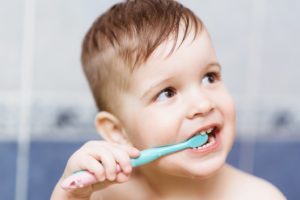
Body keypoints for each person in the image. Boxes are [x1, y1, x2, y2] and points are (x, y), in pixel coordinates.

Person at [51, 0, 286, 199]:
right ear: (117, 131)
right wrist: (70, 196)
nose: (203, 104)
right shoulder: (108, 194)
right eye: (167, 93)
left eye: (209, 77)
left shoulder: (258, 196)